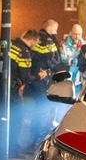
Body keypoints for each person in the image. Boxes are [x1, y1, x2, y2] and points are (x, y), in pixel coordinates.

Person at [0, 29, 45, 156]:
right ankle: (12, 148)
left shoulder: (7, 45)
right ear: (32, 40)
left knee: (4, 117)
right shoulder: (24, 52)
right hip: (12, 89)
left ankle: (3, 146)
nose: (36, 45)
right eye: (36, 42)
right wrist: (40, 75)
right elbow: (25, 77)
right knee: (16, 118)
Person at [23, 20, 62, 148]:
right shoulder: (48, 40)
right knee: (42, 111)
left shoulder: (37, 38)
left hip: (35, 78)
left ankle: (33, 141)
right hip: (43, 80)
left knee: (38, 111)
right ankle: (36, 143)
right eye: (55, 29)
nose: (56, 32)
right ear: (49, 28)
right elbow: (53, 61)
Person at [60, 23, 86, 95]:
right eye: (75, 34)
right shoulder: (63, 45)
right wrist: (70, 61)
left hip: (79, 82)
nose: (77, 37)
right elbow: (62, 59)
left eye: (79, 34)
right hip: (66, 81)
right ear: (71, 33)